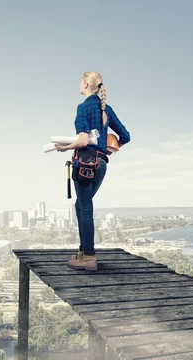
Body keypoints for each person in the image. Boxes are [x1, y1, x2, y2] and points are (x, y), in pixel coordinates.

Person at [54, 71, 131, 271]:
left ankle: (88, 256)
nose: (79, 85)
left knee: (85, 208)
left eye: (81, 82)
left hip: (85, 164)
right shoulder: (107, 109)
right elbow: (126, 136)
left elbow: (81, 141)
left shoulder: (83, 108)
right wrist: (111, 148)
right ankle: (83, 251)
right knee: (81, 206)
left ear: (87, 84)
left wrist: (63, 148)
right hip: (101, 164)